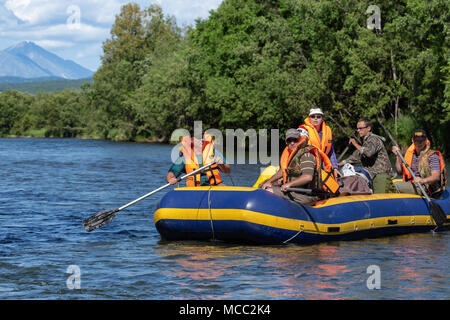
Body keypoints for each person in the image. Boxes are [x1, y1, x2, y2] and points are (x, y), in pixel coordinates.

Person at [260, 128, 339, 204]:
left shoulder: (307, 155)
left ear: (300, 140)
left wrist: (289, 184)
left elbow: (307, 177)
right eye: (289, 140)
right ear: (286, 142)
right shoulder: (292, 154)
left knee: (268, 191)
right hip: (294, 191)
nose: (292, 143)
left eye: (295, 140)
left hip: (307, 195)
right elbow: (283, 170)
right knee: (263, 185)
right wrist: (269, 181)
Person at [338, 118, 395, 194]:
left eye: (361, 128)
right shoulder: (366, 142)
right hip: (371, 175)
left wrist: (355, 144)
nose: (358, 131)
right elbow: (355, 157)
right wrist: (338, 165)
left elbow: (368, 153)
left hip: (381, 175)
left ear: (368, 128)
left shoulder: (374, 139)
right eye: (357, 129)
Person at [392, 129, 447, 198]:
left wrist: (422, 180)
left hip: (425, 188)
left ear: (426, 140)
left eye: (422, 140)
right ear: (413, 140)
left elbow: (436, 176)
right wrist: (398, 156)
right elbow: (399, 172)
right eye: (416, 140)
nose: (419, 143)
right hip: (412, 184)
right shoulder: (411, 155)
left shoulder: (432, 156)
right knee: (389, 183)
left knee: (394, 185)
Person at [166, 133, 231, 187]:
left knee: (226, 190)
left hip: (215, 185)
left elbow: (228, 170)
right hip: (195, 189)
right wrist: (171, 179)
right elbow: (171, 173)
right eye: (198, 138)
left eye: (203, 137)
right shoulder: (185, 156)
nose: (202, 140)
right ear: (191, 140)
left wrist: (221, 164)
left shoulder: (212, 151)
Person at [302, 108, 341, 178]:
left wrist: (335, 167)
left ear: (322, 118)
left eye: (318, 116)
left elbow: (331, 152)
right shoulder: (304, 130)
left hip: (323, 163)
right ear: (309, 118)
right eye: (313, 116)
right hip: (309, 162)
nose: (316, 118)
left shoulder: (327, 131)